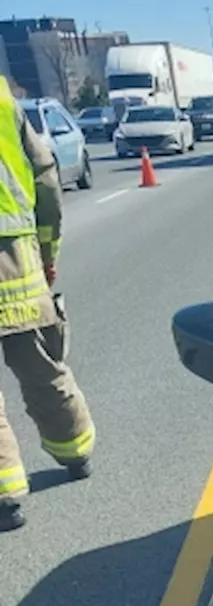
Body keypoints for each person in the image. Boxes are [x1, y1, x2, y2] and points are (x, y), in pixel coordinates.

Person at [0, 75, 96, 532]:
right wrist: (47, 251)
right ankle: (77, 454)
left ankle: (6, 498)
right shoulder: (3, 101)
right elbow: (45, 176)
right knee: (43, 368)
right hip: (16, 264)